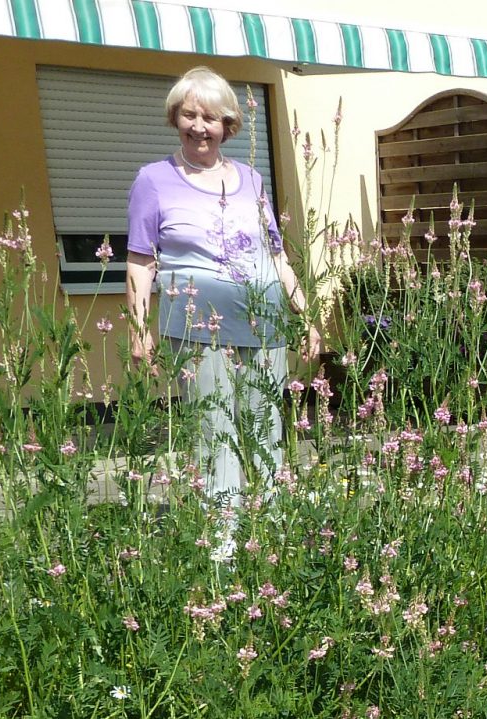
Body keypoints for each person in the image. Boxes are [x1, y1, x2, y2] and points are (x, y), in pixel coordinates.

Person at [125, 66, 319, 509]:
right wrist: (138, 329)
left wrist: (306, 316)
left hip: (264, 325)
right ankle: (221, 531)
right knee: (214, 429)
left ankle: (270, 524)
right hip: (197, 329)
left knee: (265, 427)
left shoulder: (252, 179)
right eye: (189, 115)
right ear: (175, 118)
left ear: (227, 125)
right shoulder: (153, 180)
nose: (199, 127)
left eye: (210, 118)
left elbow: (276, 256)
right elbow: (140, 261)